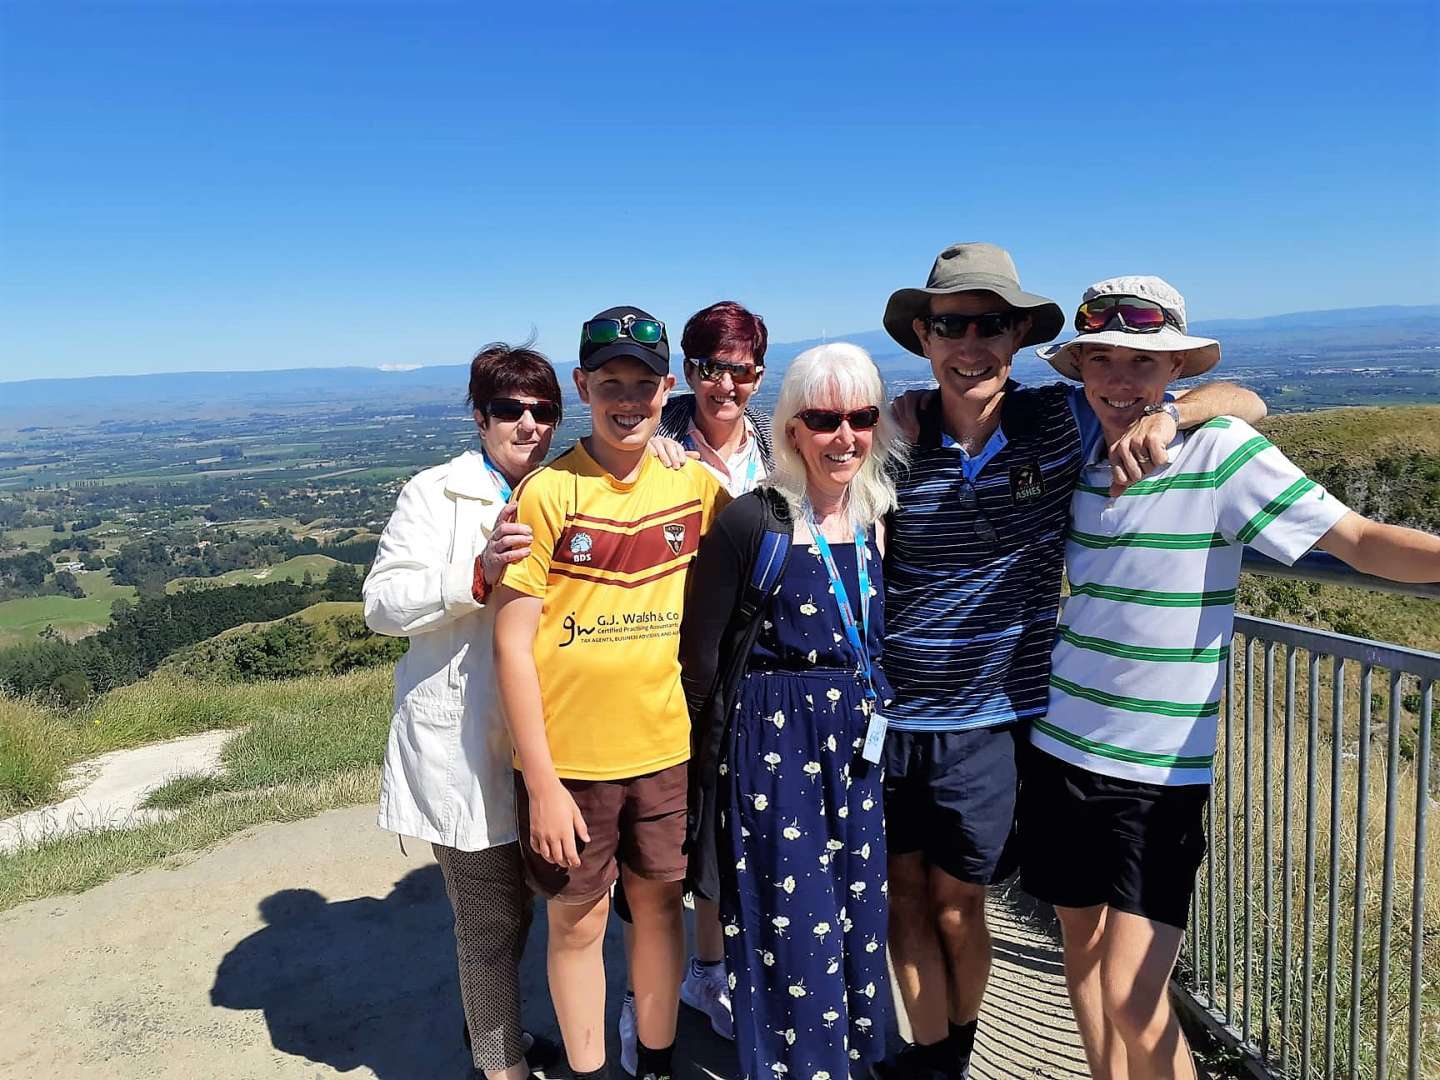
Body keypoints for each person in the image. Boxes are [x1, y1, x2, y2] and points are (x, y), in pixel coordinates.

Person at [1019, 275, 1440, 1080]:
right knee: (1082, 952)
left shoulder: (1220, 452)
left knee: (1134, 995)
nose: (1119, 378)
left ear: (1174, 369)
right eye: (1100, 359)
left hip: (1157, 772)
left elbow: (1357, 539)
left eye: (1143, 363)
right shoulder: (1074, 451)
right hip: (1060, 746)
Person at [876, 243, 1268, 1080]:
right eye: (953, 324)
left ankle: (964, 1044)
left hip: (993, 714)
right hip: (887, 710)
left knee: (959, 907)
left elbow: (1246, 395)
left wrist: (1177, 413)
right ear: (923, 334)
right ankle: (933, 1060)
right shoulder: (888, 436)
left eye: (992, 324)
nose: (972, 342)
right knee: (900, 902)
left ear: (1018, 337)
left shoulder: (1061, 419)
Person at [492, 306, 730, 1080]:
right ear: (583, 385)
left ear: (668, 389)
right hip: (573, 763)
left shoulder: (695, 487)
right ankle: (593, 1072)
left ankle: (655, 1063)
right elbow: (511, 645)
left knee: (660, 911)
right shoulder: (549, 493)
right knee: (577, 923)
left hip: (665, 749)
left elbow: (766, 543)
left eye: (643, 384)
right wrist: (544, 784)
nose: (628, 400)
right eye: (610, 384)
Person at [681, 342, 907, 1080]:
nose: (844, 437)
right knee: (793, 926)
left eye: (860, 417)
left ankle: (849, 1058)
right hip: (774, 747)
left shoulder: (879, 515)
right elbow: (703, 658)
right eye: (824, 419)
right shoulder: (756, 520)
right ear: (793, 429)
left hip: (857, 745)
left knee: (857, 914)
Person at [363, 342, 565, 1080]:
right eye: (509, 409)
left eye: (543, 410)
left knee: (542, 904)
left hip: (550, 738)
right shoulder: (432, 494)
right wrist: (475, 573)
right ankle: (499, 1063)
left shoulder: (569, 487)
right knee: (489, 920)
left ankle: (502, 1034)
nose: (528, 424)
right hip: (462, 741)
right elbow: (381, 606)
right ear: (479, 417)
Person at [615, 299, 772, 1069]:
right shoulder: (654, 435)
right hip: (659, 665)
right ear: (690, 369)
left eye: (739, 370)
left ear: (758, 375)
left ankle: (707, 973)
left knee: (720, 831)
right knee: (653, 845)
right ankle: (639, 995)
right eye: (710, 368)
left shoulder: (781, 449)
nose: (724, 385)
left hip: (753, 670)